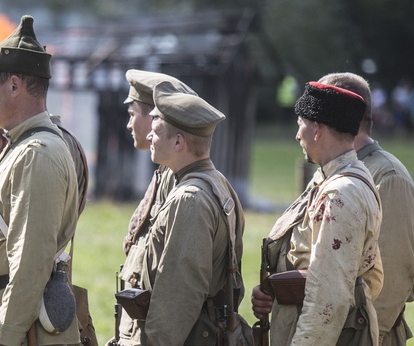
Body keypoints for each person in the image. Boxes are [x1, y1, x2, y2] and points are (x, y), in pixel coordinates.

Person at [0, 16, 81, 346]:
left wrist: (4, 338)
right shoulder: (23, 146)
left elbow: (30, 263)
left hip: (21, 334)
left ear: (14, 86)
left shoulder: (37, 153)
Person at [251, 81, 383, 345]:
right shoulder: (332, 180)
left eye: (300, 124)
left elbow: (328, 300)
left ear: (317, 129)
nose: (297, 135)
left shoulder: (341, 194)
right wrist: (278, 291)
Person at [119, 80, 245, 345]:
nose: (149, 136)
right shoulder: (216, 182)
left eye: (156, 130)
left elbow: (177, 299)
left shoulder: (190, 200)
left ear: (178, 141)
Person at [318, 72, 414, 346]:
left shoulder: (388, 178)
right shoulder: (332, 171)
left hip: (366, 337)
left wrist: (362, 341)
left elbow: (392, 280)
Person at [113, 70, 198, 345]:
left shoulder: (182, 186)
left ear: (154, 120)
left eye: (132, 113)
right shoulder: (164, 174)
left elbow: (177, 289)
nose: (129, 125)